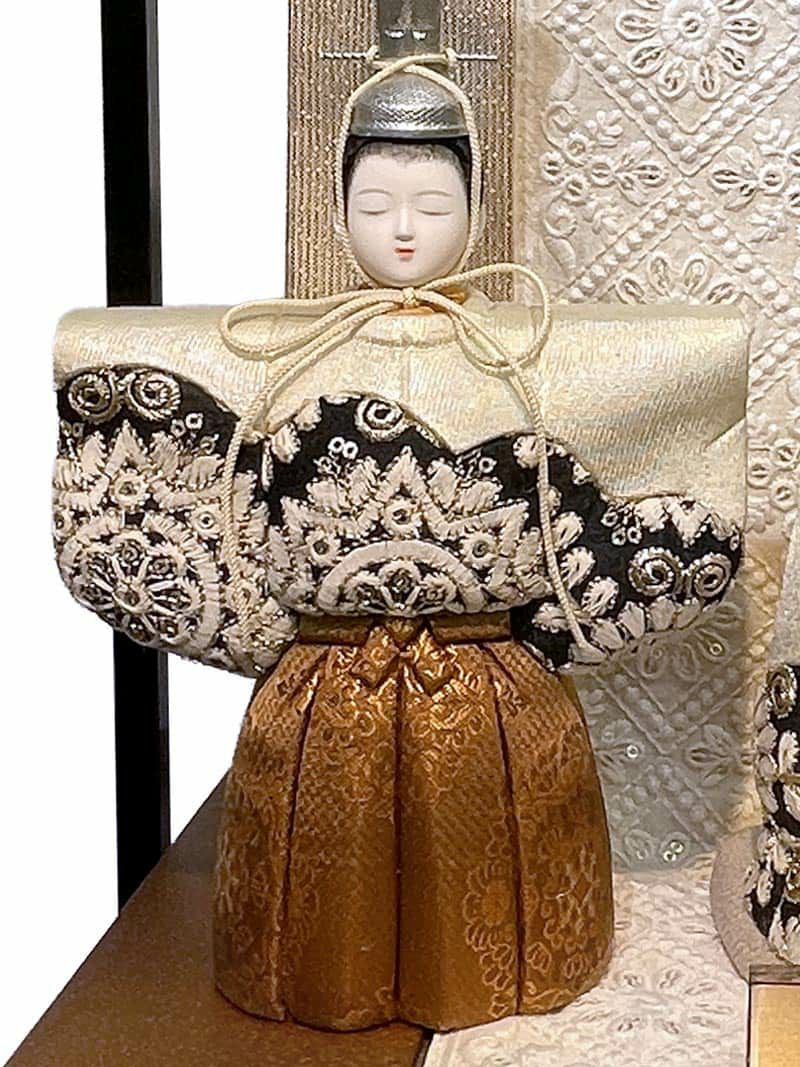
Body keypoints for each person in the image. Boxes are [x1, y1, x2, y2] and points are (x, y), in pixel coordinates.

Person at [53, 53, 743, 1032]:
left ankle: (501, 977)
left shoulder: (526, 351)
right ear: (339, 208)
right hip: (324, 676)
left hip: (494, 674)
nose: (405, 229)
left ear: (475, 206)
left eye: (433, 202)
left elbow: (673, 371)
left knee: (496, 855)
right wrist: (267, 634)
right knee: (318, 868)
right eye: (375, 204)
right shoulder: (280, 346)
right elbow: (142, 383)